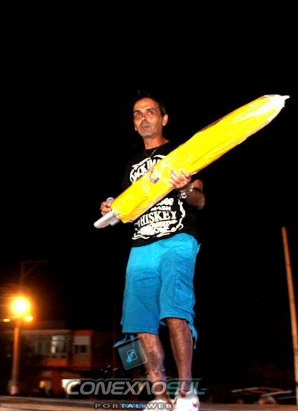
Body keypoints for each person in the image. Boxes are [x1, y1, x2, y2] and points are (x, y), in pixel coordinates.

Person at [100, 90, 204, 411]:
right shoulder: (130, 167)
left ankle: (186, 392)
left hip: (177, 239)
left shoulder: (182, 153)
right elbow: (127, 209)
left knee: (175, 312)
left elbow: (200, 199)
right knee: (141, 323)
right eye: (137, 114)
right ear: (134, 124)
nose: (143, 118)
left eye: (150, 112)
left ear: (164, 118)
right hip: (141, 246)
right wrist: (111, 208)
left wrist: (185, 188)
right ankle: (160, 397)